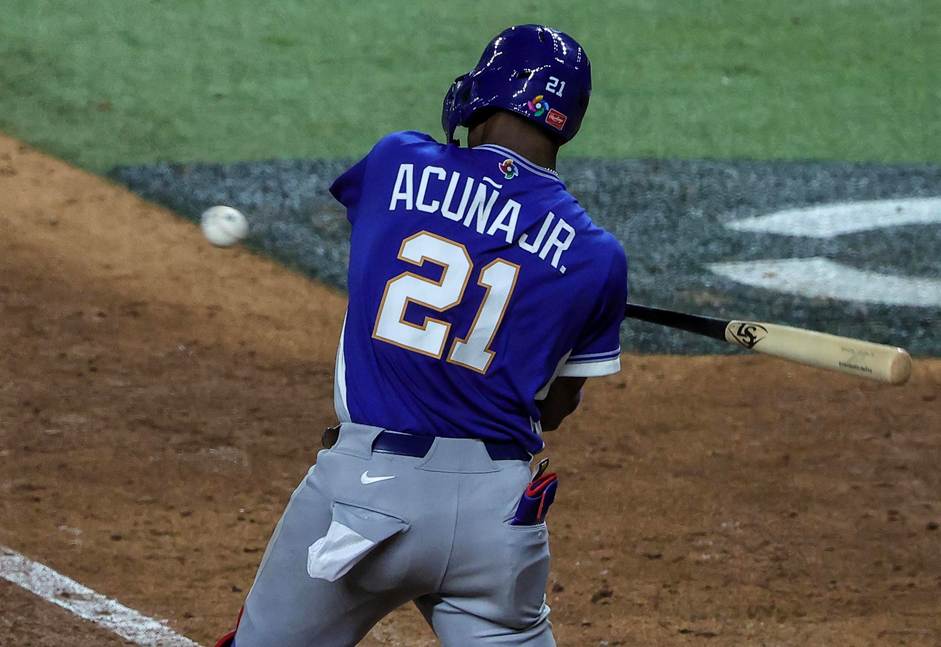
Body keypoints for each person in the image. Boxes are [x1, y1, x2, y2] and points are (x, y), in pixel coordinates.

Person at [216, 24, 628, 647]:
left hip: (365, 502)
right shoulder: (598, 258)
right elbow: (554, 409)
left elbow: (396, 238)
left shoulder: (397, 162)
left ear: (488, 88)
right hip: (498, 518)